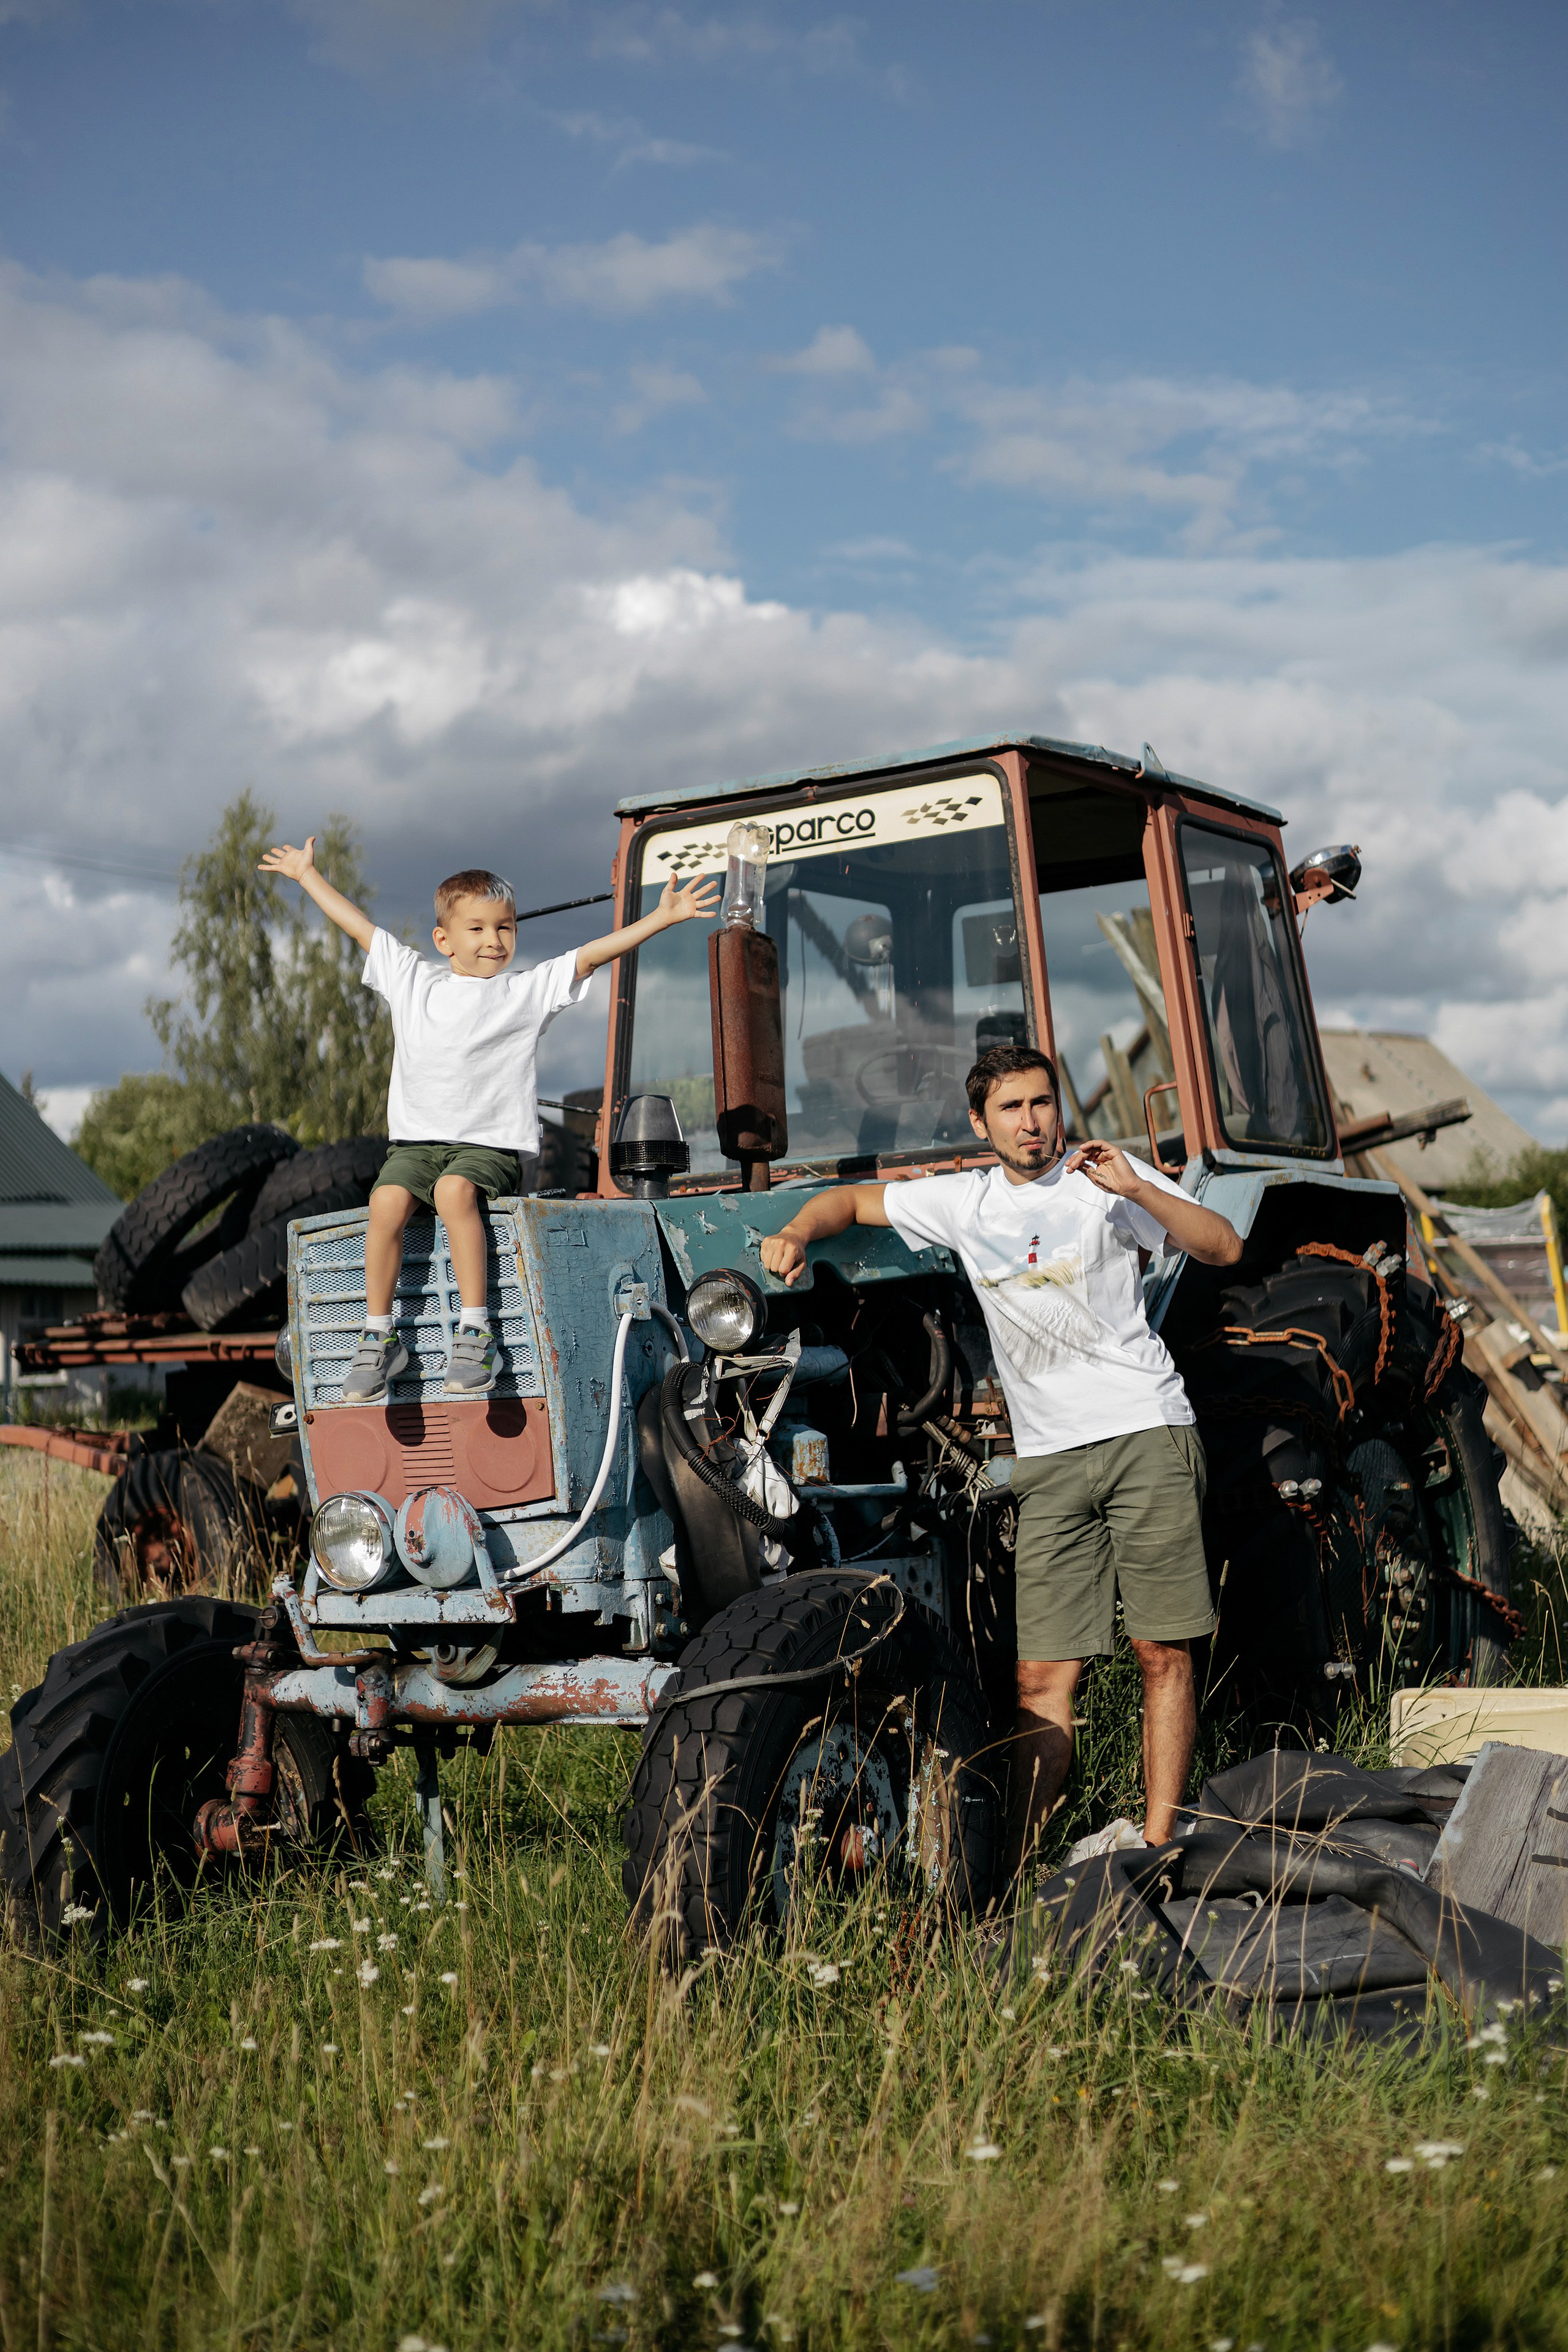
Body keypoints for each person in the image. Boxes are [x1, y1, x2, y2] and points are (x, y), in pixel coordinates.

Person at [758, 1042, 1242, 1875]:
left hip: (1143, 1432)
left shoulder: (1105, 1179)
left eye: (1043, 1103)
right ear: (981, 1124)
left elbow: (1223, 1246)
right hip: (1049, 1461)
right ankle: (1014, 1876)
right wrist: (796, 1231)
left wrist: (1138, 1189)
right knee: (1041, 1679)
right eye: (1012, 1108)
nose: (1032, 1122)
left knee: (1161, 1652)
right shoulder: (966, 1201)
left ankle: (1160, 1847)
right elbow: (849, 1200)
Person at [257, 837, 717, 1401]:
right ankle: (379, 1335)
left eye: (505, 927)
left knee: (453, 1193)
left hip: (486, 1150)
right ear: (443, 940)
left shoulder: (524, 993)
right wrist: (307, 876)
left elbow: (590, 956)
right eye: (476, 928)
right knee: (385, 1202)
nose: (493, 940)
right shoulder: (412, 979)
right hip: (415, 1147)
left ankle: (476, 1335)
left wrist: (660, 918)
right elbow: (358, 927)